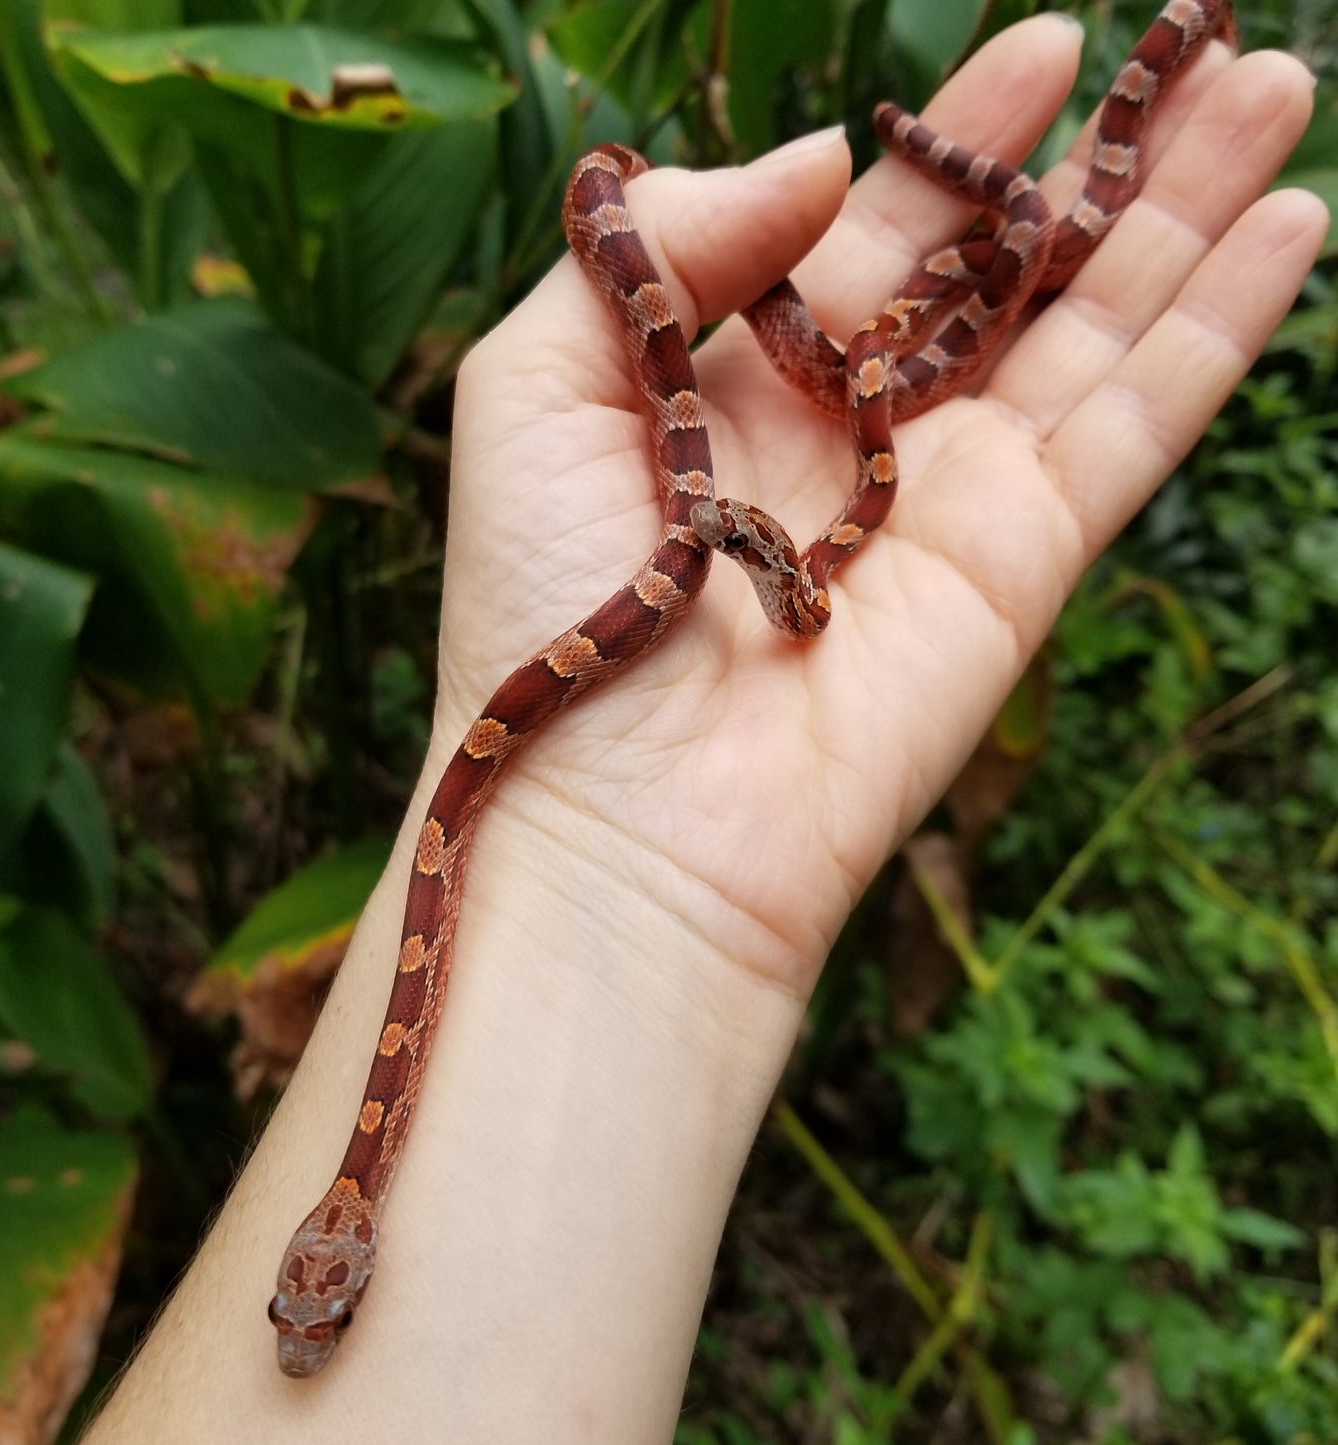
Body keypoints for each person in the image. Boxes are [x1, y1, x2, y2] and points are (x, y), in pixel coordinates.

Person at [85, 14, 1325, 1441]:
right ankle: (1050, 187)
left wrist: (865, 336)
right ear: (342, 1265)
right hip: (746, 557)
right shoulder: (688, 543)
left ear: (334, 1245)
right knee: (1032, 229)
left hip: (835, 423)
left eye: (304, 1305)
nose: (309, 1329)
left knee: (1048, 223)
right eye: (322, 1309)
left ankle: (1146, 80)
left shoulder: (733, 484)